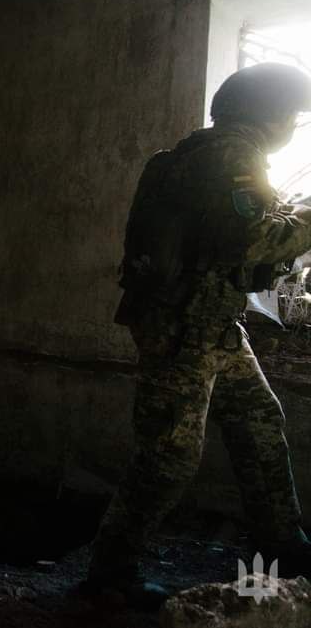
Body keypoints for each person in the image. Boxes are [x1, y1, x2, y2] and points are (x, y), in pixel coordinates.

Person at [85, 62, 311, 608]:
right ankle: (110, 571)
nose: (293, 126)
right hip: (183, 327)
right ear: (268, 113)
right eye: (292, 116)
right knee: (169, 456)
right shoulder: (232, 156)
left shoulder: (208, 153)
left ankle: (284, 543)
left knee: (259, 422)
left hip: (213, 323)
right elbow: (254, 243)